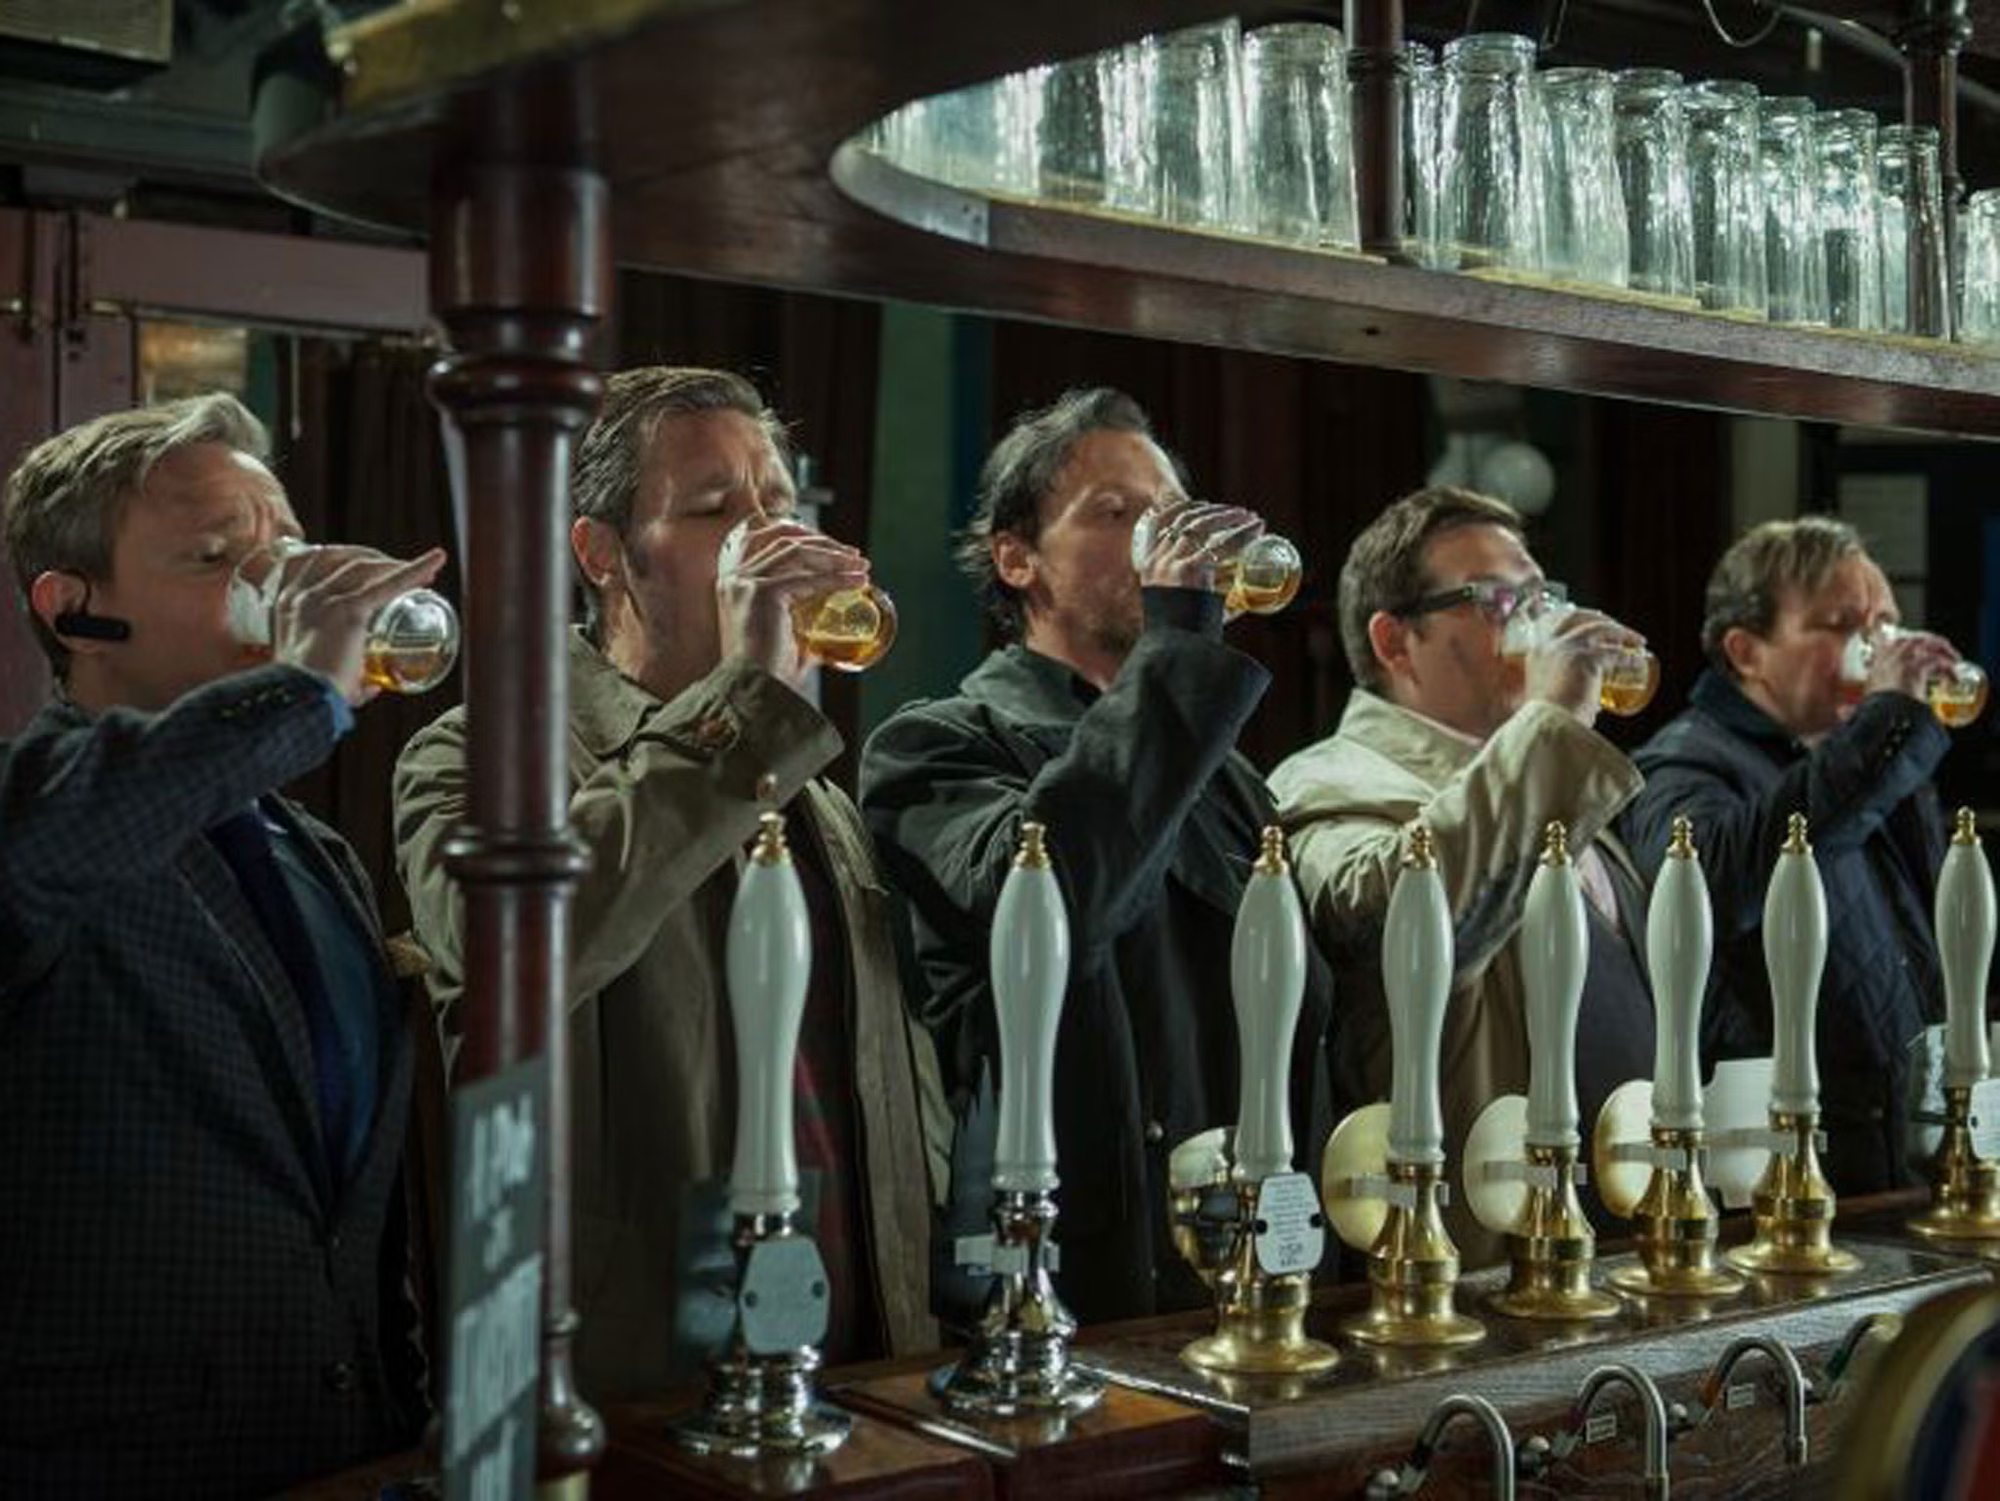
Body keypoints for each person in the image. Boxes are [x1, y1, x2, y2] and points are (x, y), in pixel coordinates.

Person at [394, 366, 939, 1401]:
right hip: (633, 1374)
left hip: (861, 1354)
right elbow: (513, 955)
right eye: (713, 509)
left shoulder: (808, 788)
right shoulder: (482, 752)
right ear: (600, 554)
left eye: (777, 504)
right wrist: (747, 702)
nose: (764, 540)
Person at [0, 393, 439, 1497]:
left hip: (353, 1448)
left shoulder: (315, 850)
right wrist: (304, 687)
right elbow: (60, 843)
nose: (281, 585)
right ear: (73, 611)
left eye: (286, 549)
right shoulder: (34, 815)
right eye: (218, 557)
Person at [859, 386, 1333, 1327]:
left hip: (1259, 1270)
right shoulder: (940, 746)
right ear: (1016, 558)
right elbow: (1049, 901)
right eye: (1116, 514)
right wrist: (1180, 650)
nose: (1160, 538)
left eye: (1166, 514)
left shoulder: (1227, 774)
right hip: (1074, 1285)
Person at [1270, 485, 1655, 1262]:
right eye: (1500, 599)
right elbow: (1403, 922)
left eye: (1542, 595)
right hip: (1471, 1265)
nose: (1537, 621)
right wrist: (1551, 727)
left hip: (1620, 1250)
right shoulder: (1328, 783)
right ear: (1394, 640)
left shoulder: (1558, 778)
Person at [1622, 516, 1962, 1194]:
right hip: (1778, 1178)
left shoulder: (1871, 758)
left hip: (1896, 1163)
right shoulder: (1682, 761)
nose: (1877, 645)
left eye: (1886, 623)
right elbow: (1707, 885)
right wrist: (1885, 725)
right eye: (1842, 624)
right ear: (1746, 651)